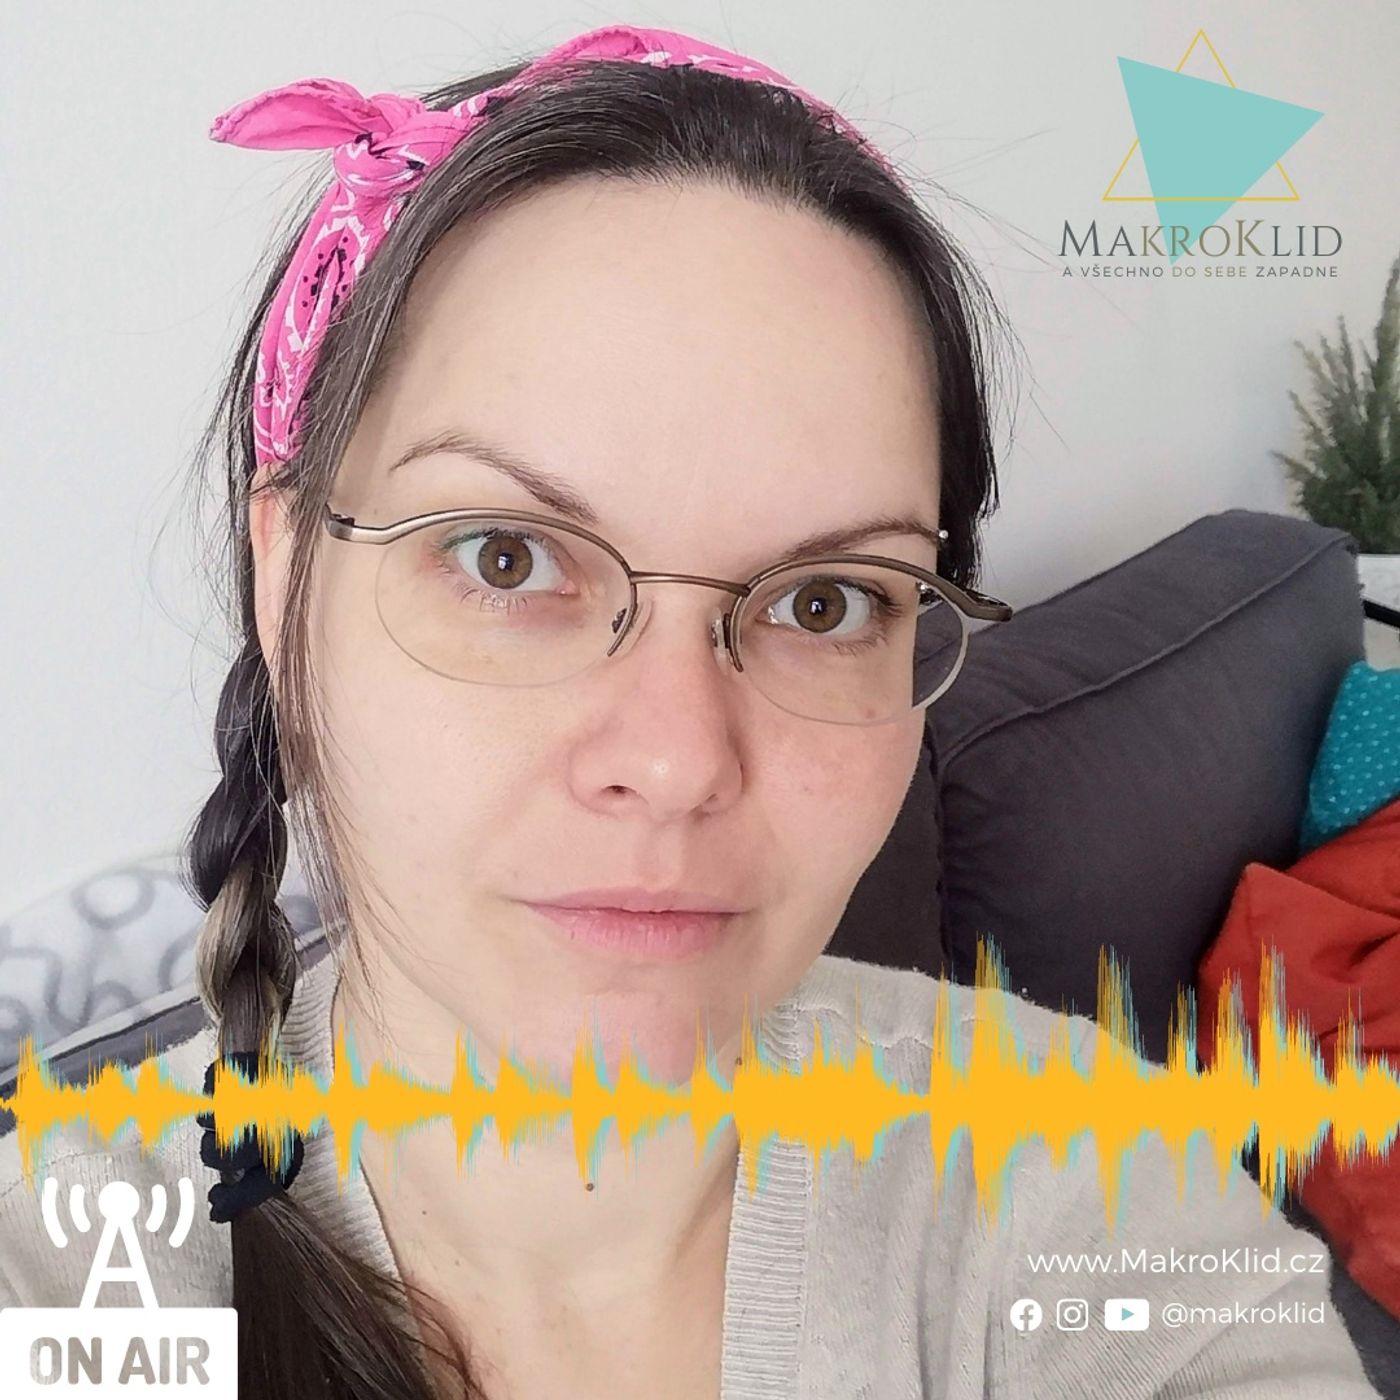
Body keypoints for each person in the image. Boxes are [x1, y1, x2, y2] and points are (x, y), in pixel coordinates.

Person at [0, 23, 1384, 1400]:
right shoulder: (61, 1279)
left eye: (826, 602)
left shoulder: (1075, 1155)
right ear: (286, 581)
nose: (675, 759)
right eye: (507, 560)